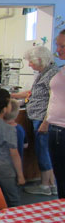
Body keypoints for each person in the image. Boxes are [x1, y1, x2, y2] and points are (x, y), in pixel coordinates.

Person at [11, 46, 59, 196]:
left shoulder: (53, 75)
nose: (29, 65)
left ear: (39, 60)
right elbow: (32, 93)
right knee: (44, 151)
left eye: (31, 62)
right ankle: (51, 184)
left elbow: (55, 100)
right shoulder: (43, 73)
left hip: (43, 120)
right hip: (37, 118)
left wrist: (46, 121)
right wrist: (13, 95)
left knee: (43, 152)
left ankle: (45, 185)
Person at [47, 29, 65, 199]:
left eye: (62, 46)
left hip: (62, 130)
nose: (58, 50)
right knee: (61, 179)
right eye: (58, 45)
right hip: (56, 128)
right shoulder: (62, 68)